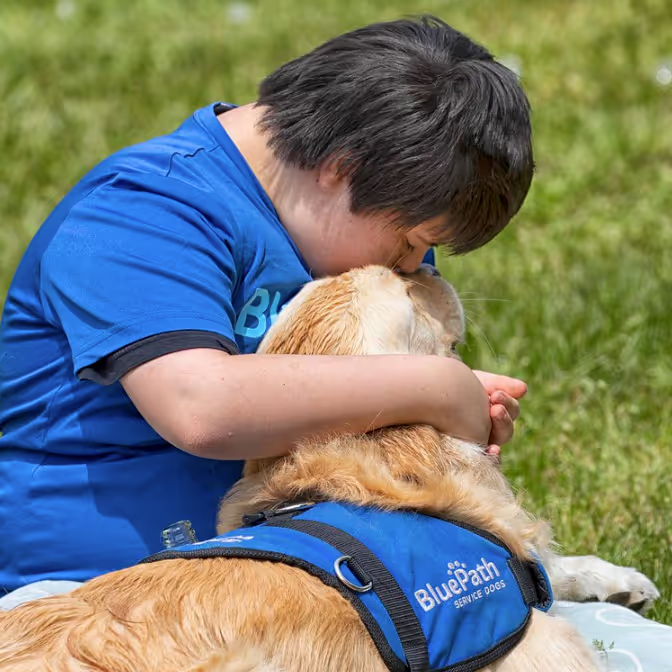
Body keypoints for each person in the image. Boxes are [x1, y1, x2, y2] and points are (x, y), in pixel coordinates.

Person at [0, 15, 532, 598]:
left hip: (285, 575)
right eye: (411, 239)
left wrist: (438, 421)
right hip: (86, 595)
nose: (413, 265)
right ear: (342, 165)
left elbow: (357, 398)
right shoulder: (141, 213)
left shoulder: (345, 222)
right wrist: (437, 390)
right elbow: (201, 407)